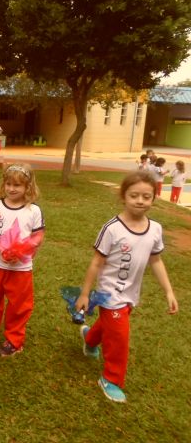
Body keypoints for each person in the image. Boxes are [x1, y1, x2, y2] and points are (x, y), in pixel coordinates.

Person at [75, 171, 178, 403]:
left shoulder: (155, 229)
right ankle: (111, 379)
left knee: (111, 325)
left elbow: (156, 260)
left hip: (131, 292)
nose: (140, 201)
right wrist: (85, 294)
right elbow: (96, 262)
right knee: (119, 337)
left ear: (154, 198)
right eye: (134, 195)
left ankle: (90, 339)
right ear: (123, 196)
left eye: (146, 196)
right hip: (109, 293)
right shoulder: (112, 228)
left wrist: (169, 291)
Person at [0, 163, 45, 357]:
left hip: (20, 268)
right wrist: (1, 247)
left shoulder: (33, 211)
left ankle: (14, 339)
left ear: (28, 187)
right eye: (8, 184)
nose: (12, 189)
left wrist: (24, 250)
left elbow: (38, 236)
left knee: (18, 305)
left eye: (17, 185)